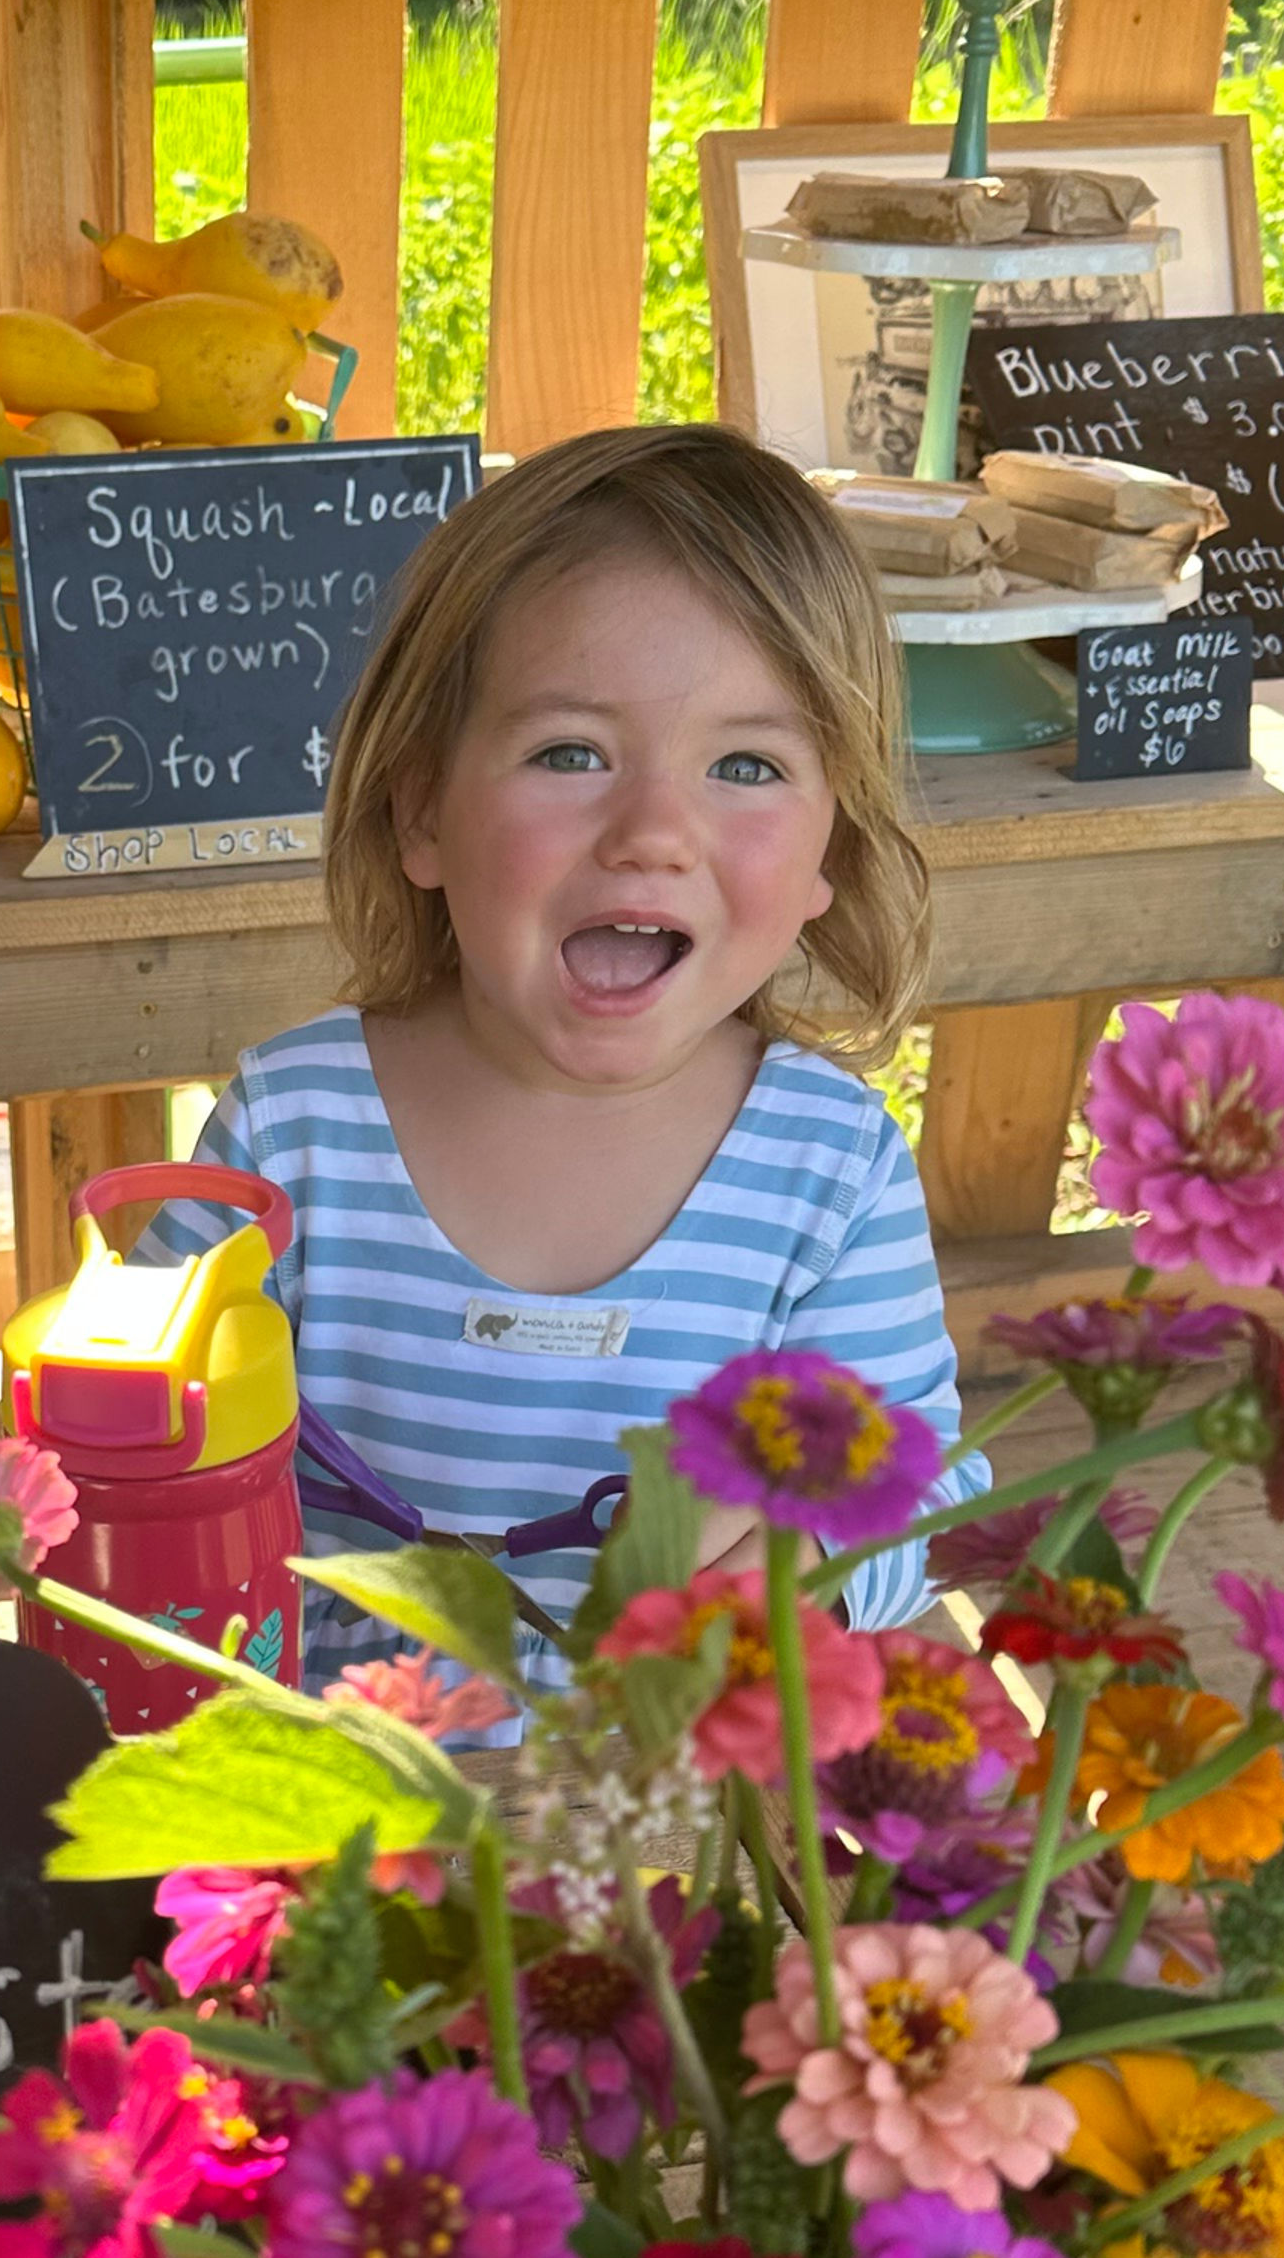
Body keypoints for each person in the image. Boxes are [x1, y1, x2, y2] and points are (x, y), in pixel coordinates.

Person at [175, 421, 984, 1699]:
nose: (654, 831)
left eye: (746, 765)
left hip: (681, 1833)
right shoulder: (290, 1134)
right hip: (336, 1816)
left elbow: (924, 1490)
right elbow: (147, 1468)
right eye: (570, 754)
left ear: (833, 850)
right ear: (422, 811)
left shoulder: (825, 1167)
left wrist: (790, 1559)